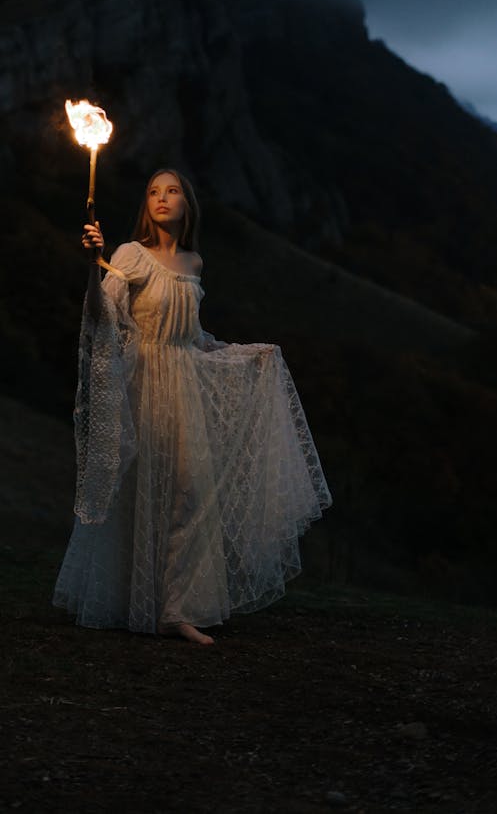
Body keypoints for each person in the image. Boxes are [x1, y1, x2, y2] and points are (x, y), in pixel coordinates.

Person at [53, 169, 331, 645]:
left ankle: (177, 608)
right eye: (153, 192)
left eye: (173, 190)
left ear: (188, 204)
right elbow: (104, 319)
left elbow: (191, 337)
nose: (162, 198)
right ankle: (133, 599)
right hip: (143, 384)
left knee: (191, 491)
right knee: (140, 491)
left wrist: (238, 356)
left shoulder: (193, 263)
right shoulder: (128, 255)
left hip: (183, 387)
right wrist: (93, 265)